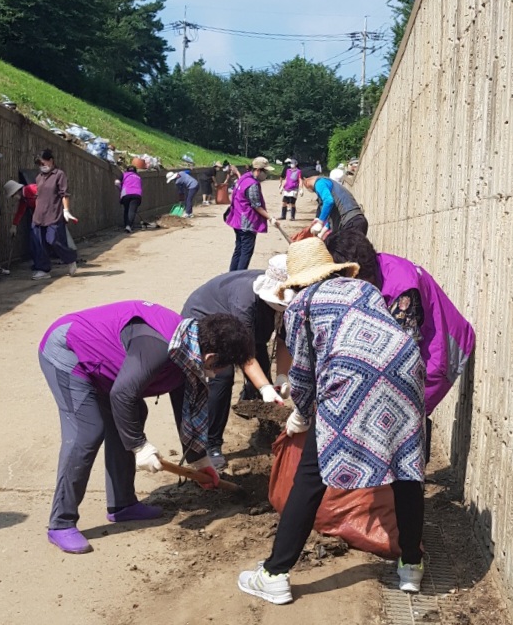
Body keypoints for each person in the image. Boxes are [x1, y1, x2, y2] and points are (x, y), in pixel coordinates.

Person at [237, 238, 427, 604]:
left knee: (311, 475)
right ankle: (411, 566)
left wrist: (301, 413)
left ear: (296, 281)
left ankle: (275, 574)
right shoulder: (364, 289)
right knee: (406, 467)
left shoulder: (301, 306)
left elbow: (303, 373)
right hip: (405, 371)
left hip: (350, 379)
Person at [39, 301, 255, 554]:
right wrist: (139, 446)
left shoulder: (187, 349)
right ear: (211, 357)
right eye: (220, 368)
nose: (218, 374)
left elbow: (185, 409)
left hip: (104, 362)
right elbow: (122, 394)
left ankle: (122, 504)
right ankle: (61, 522)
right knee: (87, 432)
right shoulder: (160, 347)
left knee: (133, 414)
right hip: (69, 350)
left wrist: (199, 460)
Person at [326, 229, 476, 461]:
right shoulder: (375, 268)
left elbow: (401, 360)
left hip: (438, 351)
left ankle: (410, 474)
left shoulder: (402, 288)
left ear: (356, 272)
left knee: (406, 411)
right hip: (421, 344)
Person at [181, 256, 292, 470]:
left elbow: (282, 339)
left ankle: (262, 422)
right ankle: (211, 443)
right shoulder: (245, 302)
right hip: (207, 319)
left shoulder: (289, 295)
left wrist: (281, 377)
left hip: (239, 326)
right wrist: (265, 387)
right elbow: (245, 355)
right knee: (222, 376)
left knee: (263, 373)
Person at [31, 149, 78, 281]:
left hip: (54, 214)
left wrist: (66, 210)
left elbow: (64, 194)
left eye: (43, 163)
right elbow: (38, 196)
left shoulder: (59, 175)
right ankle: (43, 269)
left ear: (51, 160)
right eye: (39, 164)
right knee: (39, 243)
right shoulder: (39, 177)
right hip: (39, 215)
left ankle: (70, 259)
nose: (42, 166)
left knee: (53, 240)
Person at [225, 157, 276, 271]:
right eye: (265, 171)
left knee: (239, 249)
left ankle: (232, 274)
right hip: (247, 222)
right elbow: (256, 205)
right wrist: (270, 218)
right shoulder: (252, 184)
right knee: (246, 251)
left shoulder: (243, 178)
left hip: (237, 219)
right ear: (258, 170)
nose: (266, 174)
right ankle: (239, 275)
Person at [302, 172, 368, 239]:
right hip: (356, 221)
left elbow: (328, 201)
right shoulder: (327, 182)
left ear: (305, 180)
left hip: (350, 222)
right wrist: (322, 232)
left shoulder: (319, 183)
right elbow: (334, 214)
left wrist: (320, 222)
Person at [116, 160, 143, 232]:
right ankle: (129, 226)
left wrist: (120, 188)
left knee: (126, 210)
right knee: (132, 211)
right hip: (136, 194)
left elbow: (117, 182)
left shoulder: (124, 174)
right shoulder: (138, 177)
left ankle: (126, 225)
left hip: (126, 194)